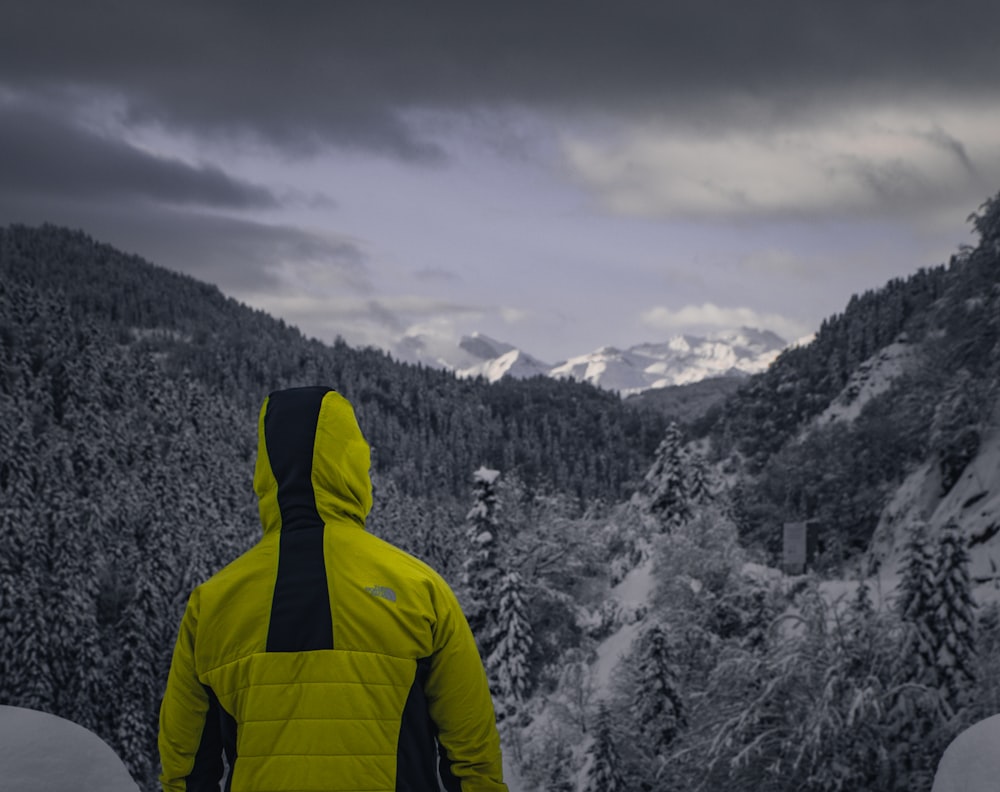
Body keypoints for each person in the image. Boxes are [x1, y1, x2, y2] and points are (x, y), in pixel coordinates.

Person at [158, 386, 508, 792]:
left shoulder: (213, 603)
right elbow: (474, 757)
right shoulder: (421, 589)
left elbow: (183, 770)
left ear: (266, 471)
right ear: (354, 465)